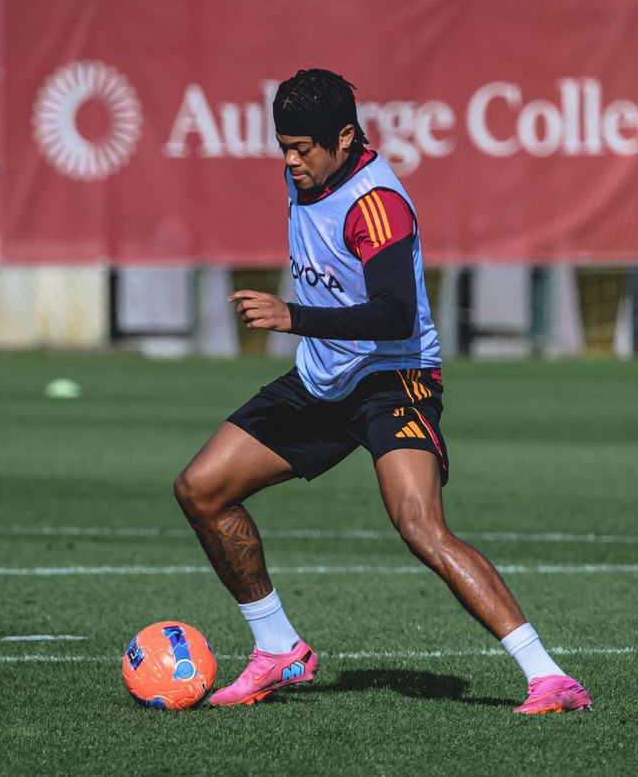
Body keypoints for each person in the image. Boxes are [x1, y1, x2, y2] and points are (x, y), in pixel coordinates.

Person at [173, 68, 591, 714]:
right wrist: (308, 331)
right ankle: (278, 649)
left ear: (343, 137)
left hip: (394, 379)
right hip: (322, 378)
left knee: (419, 525)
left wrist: (295, 316)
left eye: (301, 147)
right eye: (282, 145)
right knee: (201, 489)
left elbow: (396, 312)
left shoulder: (377, 203)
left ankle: (549, 677)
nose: (289, 160)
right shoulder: (304, 171)